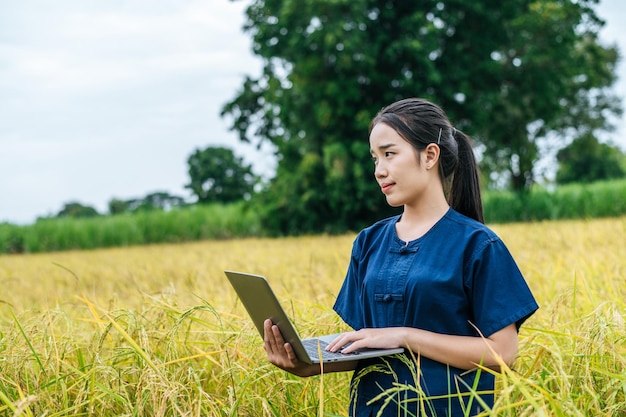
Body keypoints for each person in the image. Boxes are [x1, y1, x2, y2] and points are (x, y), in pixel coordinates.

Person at [263, 97, 539, 416]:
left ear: (429, 156)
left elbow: (502, 352)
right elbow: (371, 345)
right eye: (375, 158)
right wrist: (305, 365)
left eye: (389, 154)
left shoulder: (478, 245)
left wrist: (406, 336)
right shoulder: (369, 242)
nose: (380, 170)